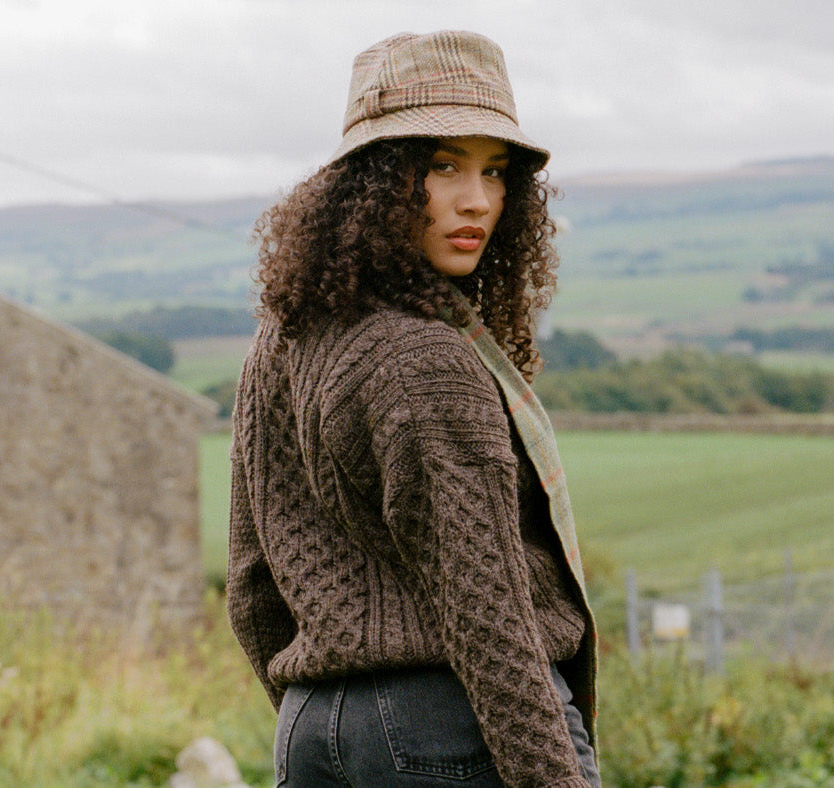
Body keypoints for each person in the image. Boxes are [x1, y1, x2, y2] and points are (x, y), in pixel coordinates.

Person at [227, 30, 598, 788]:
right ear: (375, 181)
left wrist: (328, 721)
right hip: (452, 723)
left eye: (495, 172)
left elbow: (252, 583)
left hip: (310, 725)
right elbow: (489, 618)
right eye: (442, 165)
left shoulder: (285, 341)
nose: (478, 201)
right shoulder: (425, 360)